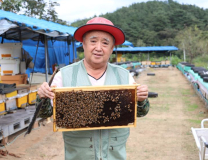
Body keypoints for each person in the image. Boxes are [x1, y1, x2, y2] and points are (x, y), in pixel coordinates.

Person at [37, 17, 149, 160]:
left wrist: (141, 99)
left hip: (114, 155)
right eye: (93, 41)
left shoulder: (124, 75)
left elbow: (139, 112)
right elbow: (44, 113)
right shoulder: (64, 76)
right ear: (83, 44)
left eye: (105, 43)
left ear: (112, 48)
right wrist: (43, 97)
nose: (98, 48)